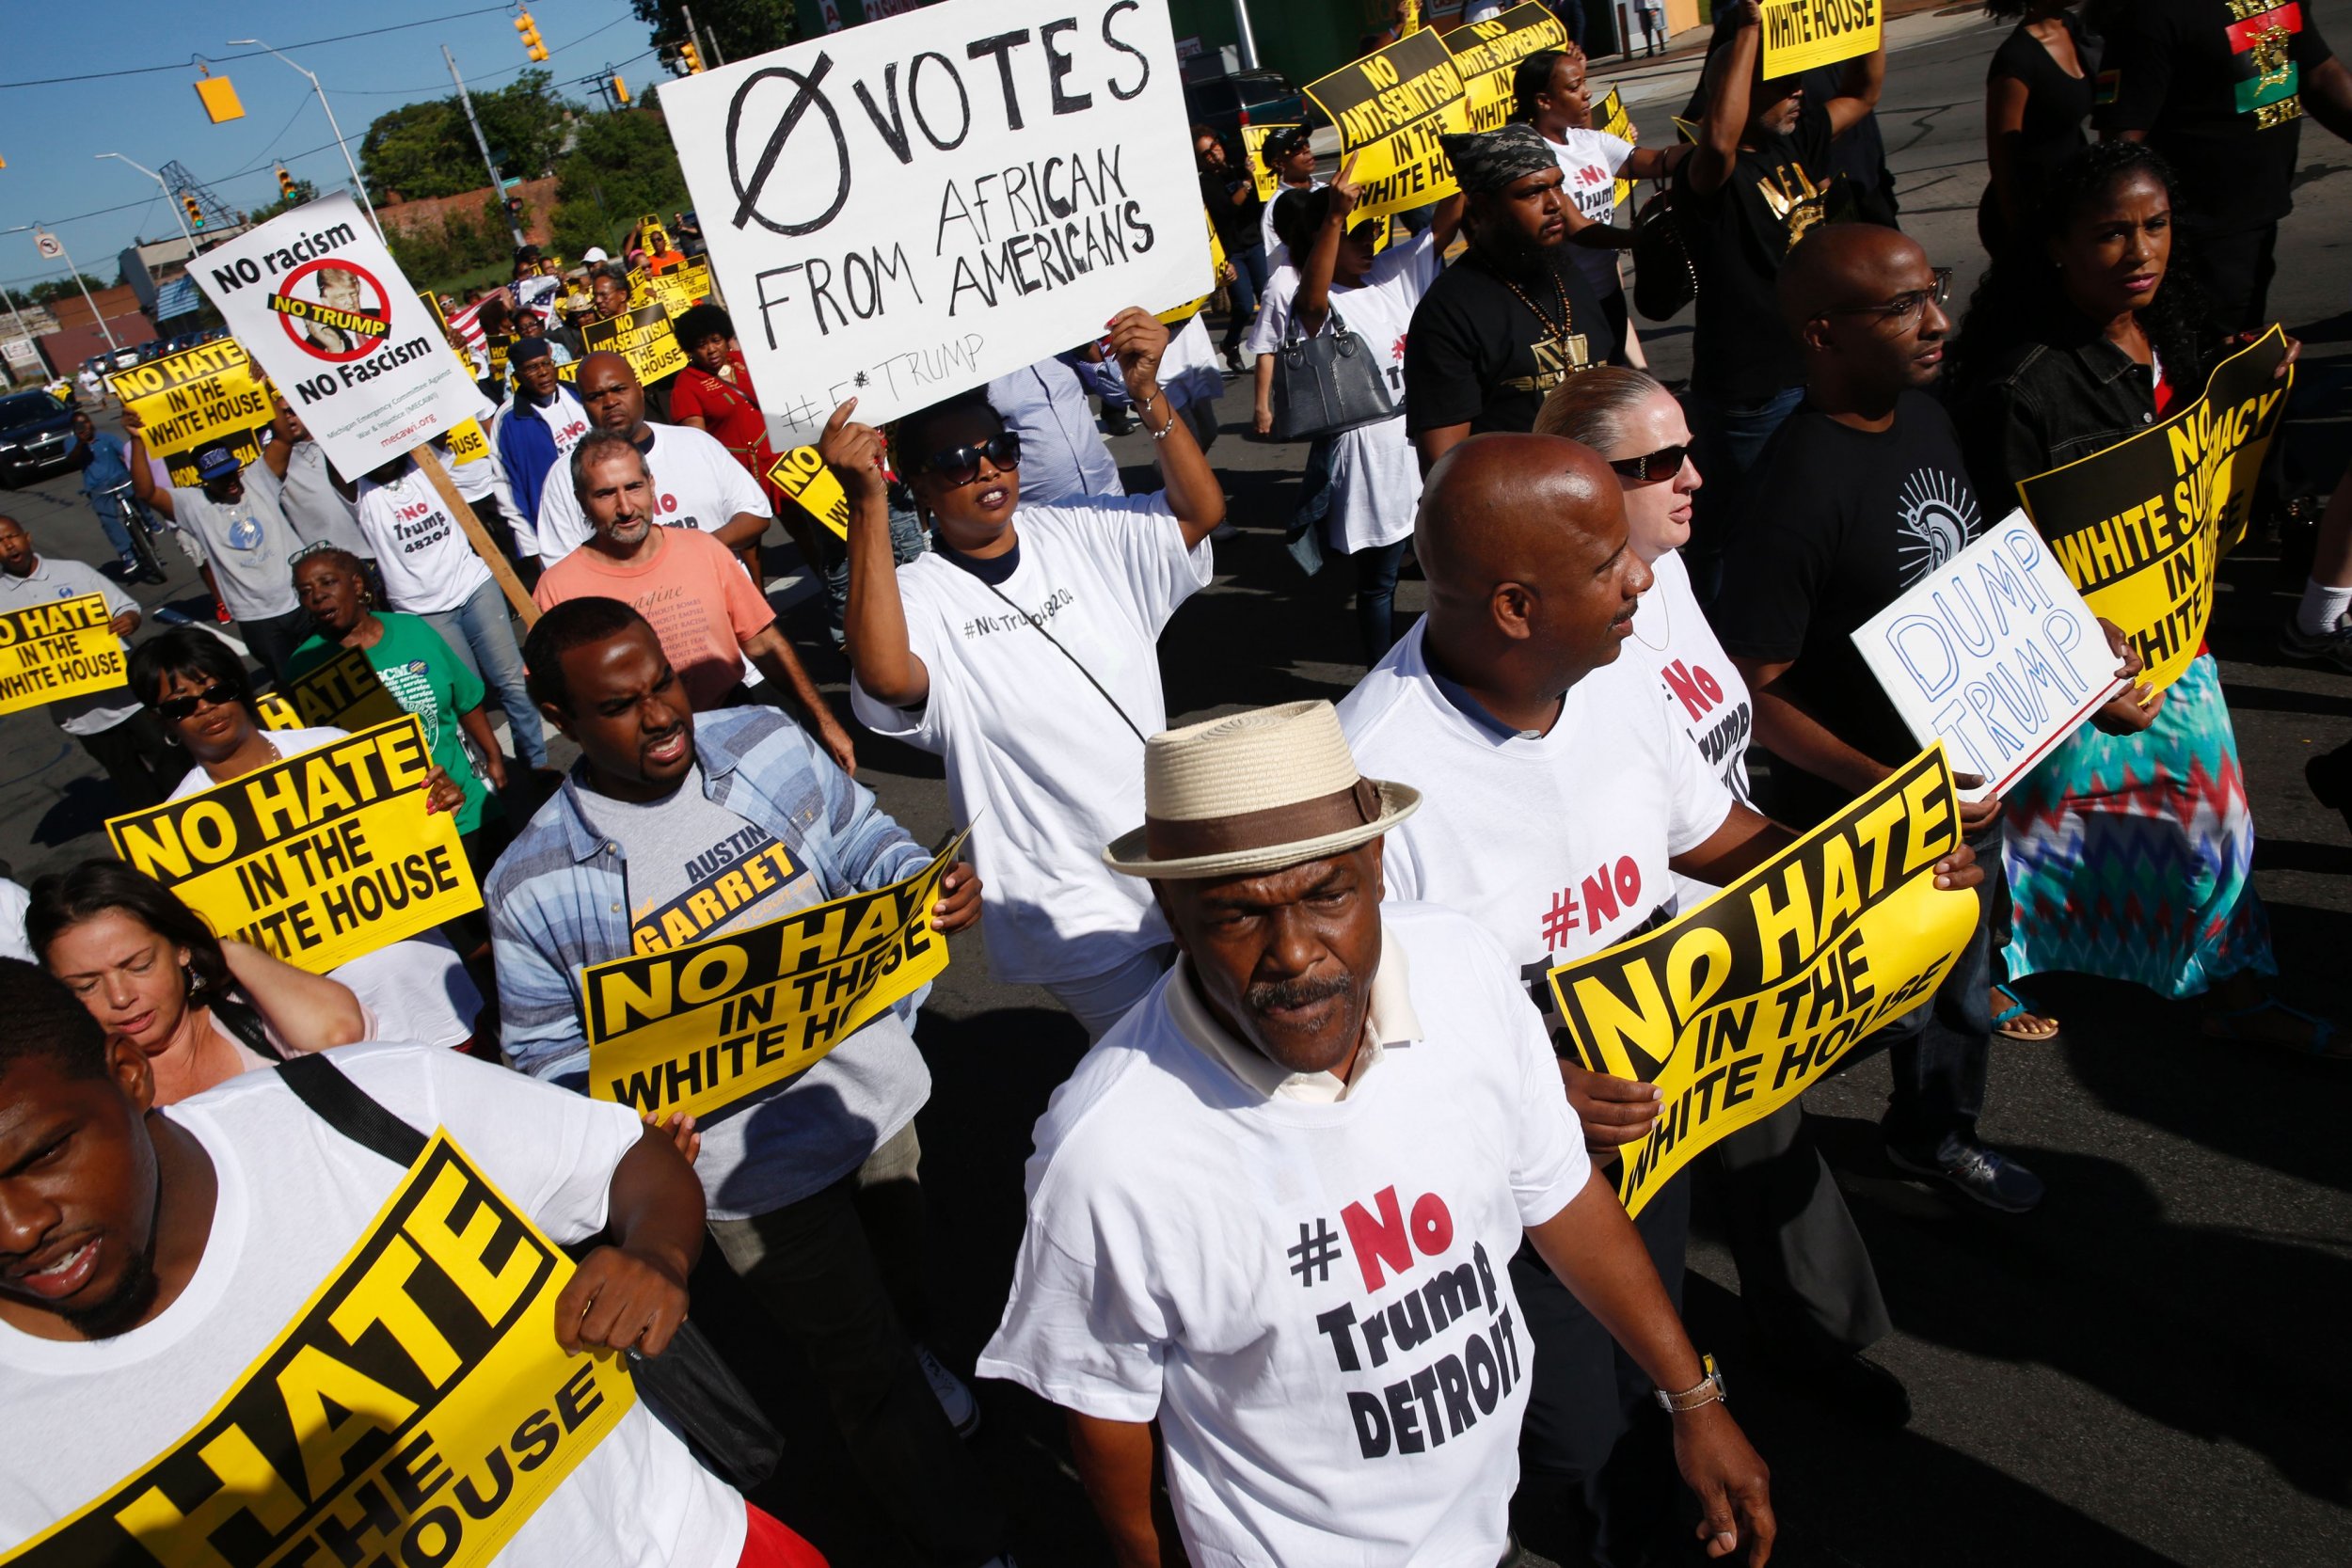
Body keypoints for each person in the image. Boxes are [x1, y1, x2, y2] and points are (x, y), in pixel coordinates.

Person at [976, 699, 1776, 1568]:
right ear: (1172, 912)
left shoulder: (1466, 969)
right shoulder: (1109, 1150)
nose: (1294, 952)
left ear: (1379, 864)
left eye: (1328, 894)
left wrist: (1693, 1397)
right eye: (1238, 914)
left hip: (1482, 1532)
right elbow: (1107, 1406)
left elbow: (1561, 1194)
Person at [1340, 434, 1933, 1556]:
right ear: (1515, 606)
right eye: (1609, 563)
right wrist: (1535, 1082)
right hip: (1511, 1184)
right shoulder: (1371, 783)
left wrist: (1880, 858)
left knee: (1643, 1395)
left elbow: (1716, 836)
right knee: (1568, 1438)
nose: (1643, 582)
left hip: (1653, 1129)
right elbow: (1353, 1023)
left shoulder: (1612, 682)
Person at [487, 598, 1008, 1568]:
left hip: (870, 1096)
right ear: (559, 716)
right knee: (861, 1367)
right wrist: (623, 1120)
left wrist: (916, 881)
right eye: (620, 706)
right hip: (741, 1179)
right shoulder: (533, 883)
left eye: (663, 686)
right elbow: (545, 1058)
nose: (658, 717)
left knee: (902, 1282)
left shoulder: (765, 740)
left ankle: (915, 1345)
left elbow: (862, 837)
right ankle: (963, 1540)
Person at [0, 962, 824, 1568]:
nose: (16, 1226)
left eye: (43, 1154)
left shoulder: (365, 1106)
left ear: (128, 1073)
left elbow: (627, 1158)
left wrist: (656, 1251)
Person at [1952, 141, 2331, 1053]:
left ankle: (2233, 986)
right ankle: (1990, 974)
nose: (2138, 251)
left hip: (2168, 644)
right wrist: (2083, 662)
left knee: (2213, 811)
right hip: (2063, 659)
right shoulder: (2021, 384)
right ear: (2057, 247)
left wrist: (2252, 388)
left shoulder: (2176, 333)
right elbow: (1996, 551)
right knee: (2031, 822)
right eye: (2110, 233)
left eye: (2153, 226)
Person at [1708, 223, 2050, 1210]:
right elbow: (1753, 693)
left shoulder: (1928, 419)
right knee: (1868, 1010)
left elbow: (1978, 580)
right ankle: (1747, 1164)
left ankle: (1933, 1135)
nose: (1935, 318)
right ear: (1821, 335)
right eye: (1901, 306)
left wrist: (2081, 649)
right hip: (1864, 811)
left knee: (1959, 992)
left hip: (1963, 788)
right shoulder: (1793, 490)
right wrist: (1890, 792)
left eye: (1931, 291)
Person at [837, 309, 1226, 1040]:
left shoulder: (1076, 526)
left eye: (1000, 449)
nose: (984, 468)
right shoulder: (917, 594)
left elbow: (1198, 513)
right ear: (917, 486)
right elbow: (889, 676)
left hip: (1176, 859)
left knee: (1238, 1037)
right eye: (955, 462)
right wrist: (865, 500)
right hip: (1065, 897)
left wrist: (1147, 394)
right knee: (1161, 1063)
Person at [128, 626, 485, 1053]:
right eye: (183, 704)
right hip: (330, 1043)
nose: (207, 708)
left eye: (217, 690)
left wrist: (435, 803)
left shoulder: (335, 749)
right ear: (161, 721)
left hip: (432, 999)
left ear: (238, 686)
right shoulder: (174, 835)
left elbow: (415, 850)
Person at [1675, 0, 1886, 586]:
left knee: (1809, 512)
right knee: (1742, 529)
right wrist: (1744, 30)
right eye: (1782, 81)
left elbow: (1864, 92)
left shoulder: (1793, 142)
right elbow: (1717, 141)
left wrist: (1865, 17)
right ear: (1739, 86)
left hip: (1814, 369)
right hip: (1752, 389)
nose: (1799, 92)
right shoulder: (1707, 172)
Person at [535, 430, 858, 771]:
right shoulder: (558, 590)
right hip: (641, 762)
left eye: (633, 487)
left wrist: (823, 720)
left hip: (736, 727)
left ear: (652, 483)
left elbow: (765, 643)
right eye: (605, 494)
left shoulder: (704, 550)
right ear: (581, 500)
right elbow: (552, 696)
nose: (626, 507)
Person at [1263, 169, 1464, 660]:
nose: (1370, 242)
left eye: (1372, 230)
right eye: (1356, 235)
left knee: (1451, 561)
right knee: (1382, 578)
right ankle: (1382, 667)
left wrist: (1461, 157)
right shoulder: (1315, 297)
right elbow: (1311, 301)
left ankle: (1451, 655)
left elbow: (1443, 228)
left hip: (1423, 438)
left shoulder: (1392, 273)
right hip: (1371, 454)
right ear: (1324, 237)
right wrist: (1334, 215)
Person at [2094, 0, 2351, 335]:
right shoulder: (2151, 13)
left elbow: (2320, 74)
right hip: (2196, 234)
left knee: (2243, 343)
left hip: (2260, 215)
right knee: (2205, 357)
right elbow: (2121, 145)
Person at [25, 860, 368, 1104]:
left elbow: (340, 1035)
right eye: (85, 986)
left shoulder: (250, 1012)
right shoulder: (82, 1090)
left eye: (139, 965)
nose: (120, 997)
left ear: (179, 949)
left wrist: (226, 952)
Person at [1403, 122, 1623, 471]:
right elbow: (1446, 466)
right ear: (1484, 207)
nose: (1554, 204)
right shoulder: (1449, 312)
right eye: (1532, 193)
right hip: (1519, 513)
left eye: (1557, 186)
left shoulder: (1568, 274)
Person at [289, 547, 508, 866]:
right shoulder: (305, 666)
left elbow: (465, 697)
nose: (318, 597)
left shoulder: (412, 630)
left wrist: (493, 757)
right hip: (399, 834)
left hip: (469, 809)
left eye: (327, 583)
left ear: (357, 585)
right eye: (305, 592)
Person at [352, 450, 551, 773]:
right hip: (423, 611)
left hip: (474, 586)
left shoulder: (425, 460)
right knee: (463, 699)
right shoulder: (359, 491)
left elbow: (432, 412)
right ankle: (488, 773)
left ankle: (536, 764)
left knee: (513, 681)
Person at [1516, 49, 1693, 359]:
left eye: (1585, 83)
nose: (1587, 94)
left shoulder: (1590, 141)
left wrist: (1709, 144)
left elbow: (1652, 161)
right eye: (1574, 88)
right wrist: (1637, 239)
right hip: (1565, 304)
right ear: (1544, 101)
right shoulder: (1532, 157)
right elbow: (1577, 229)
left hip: (1608, 295)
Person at [532, 352, 773, 567]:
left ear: (639, 388)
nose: (610, 403)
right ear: (583, 404)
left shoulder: (695, 443)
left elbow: (755, 513)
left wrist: (697, 549)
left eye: (619, 389)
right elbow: (560, 565)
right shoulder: (565, 476)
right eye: (596, 396)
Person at [0, 515, 177, 809]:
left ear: (27, 537)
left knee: (171, 765)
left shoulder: (74, 572)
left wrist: (128, 620)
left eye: (11, 536)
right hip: (82, 718)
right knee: (131, 783)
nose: (8, 545)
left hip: (130, 699)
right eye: (0, 543)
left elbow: (126, 607)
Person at [123, 432, 308, 681]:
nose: (229, 481)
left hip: (302, 601)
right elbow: (145, 492)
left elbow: (283, 439)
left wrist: (262, 393)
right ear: (202, 480)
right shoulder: (193, 504)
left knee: (334, 665)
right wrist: (136, 439)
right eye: (219, 478)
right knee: (291, 681)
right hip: (257, 617)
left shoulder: (259, 480)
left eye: (231, 472)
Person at [1980, 1, 2100, 254]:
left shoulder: (2077, 30)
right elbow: (2002, 160)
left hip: (2074, 200)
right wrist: (2020, 231)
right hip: (2034, 210)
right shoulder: (2016, 60)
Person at [244, 389, 375, 565]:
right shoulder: (280, 463)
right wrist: (260, 388)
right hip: (328, 562)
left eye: (292, 411)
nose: (289, 418)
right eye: (283, 414)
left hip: (372, 550)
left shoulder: (340, 440)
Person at [494, 335, 595, 553]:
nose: (542, 373)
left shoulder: (580, 394)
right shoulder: (508, 419)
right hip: (558, 529)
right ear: (518, 376)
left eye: (546, 364)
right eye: (531, 368)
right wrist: (531, 547)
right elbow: (506, 487)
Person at [986, 353, 1125, 506]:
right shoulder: (984, 367)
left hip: (1108, 492)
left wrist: (1089, 352)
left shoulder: (1064, 345)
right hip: (1043, 512)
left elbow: (1123, 394)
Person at [1197, 125, 1269, 373]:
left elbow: (1262, 198)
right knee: (1244, 306)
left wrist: (1256, 174)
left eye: (1214, 146)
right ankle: (1230, 342)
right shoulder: (1206, 183)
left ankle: (1271, 347)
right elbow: (1228, 210)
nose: (1213, 154)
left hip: (1254, 242)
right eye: (1206, 153)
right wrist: (1247, 182)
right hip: (1232, 252)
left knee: (1268, 296)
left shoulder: (1239, 168)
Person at [67, 411, 162, 582]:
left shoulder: (106, 438)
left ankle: (150, 521)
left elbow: (126, 453)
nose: (84, 427)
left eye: (85, 422)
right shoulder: (72, 443)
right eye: (78, 425)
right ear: (74, 429)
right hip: (99, 488)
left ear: (91, 422)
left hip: (122, 478)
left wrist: (135, 468)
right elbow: (71, 460)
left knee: (139, 495)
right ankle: (127, 554)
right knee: (108, 520)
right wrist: (81, 444)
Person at [1255, 123, 1323, 262]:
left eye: (1306, 142)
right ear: (1278, 163)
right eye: (1296, 147)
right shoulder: (1274, 210)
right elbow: (1278, 263)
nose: (1306, 149)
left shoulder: (1325, 190)